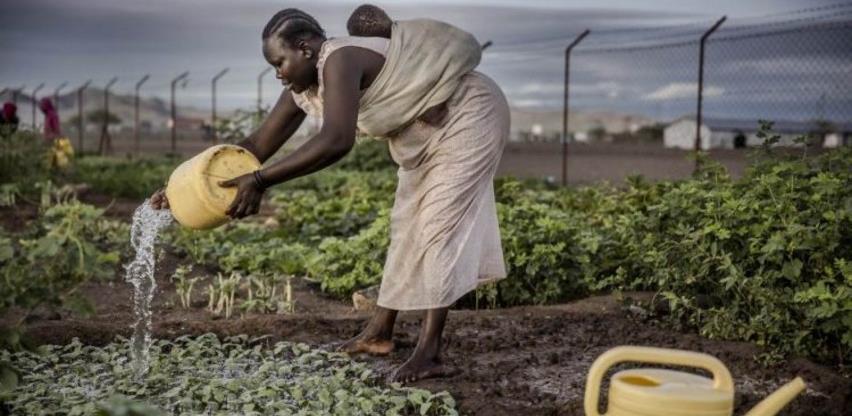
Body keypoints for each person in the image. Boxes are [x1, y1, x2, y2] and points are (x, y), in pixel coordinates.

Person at [152, 5, 509, 383]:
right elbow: (255, 146)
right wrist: (185, 188)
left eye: (280, 62)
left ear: (305, 49)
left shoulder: (340, 59)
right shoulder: (304, 89)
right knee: (407, 226)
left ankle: (429, 353)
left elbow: (336, 140)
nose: (278, 73)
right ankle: (378, 334)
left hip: (467, 115)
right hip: (422, 134)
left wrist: (260, 181)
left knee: (438, 226)